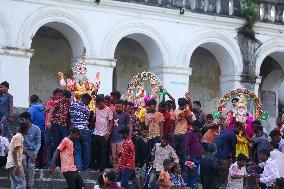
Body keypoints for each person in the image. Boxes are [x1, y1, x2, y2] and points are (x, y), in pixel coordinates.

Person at [46, 89, 71, 165]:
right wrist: (48, 122)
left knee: (64, 143)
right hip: (56, 125)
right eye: (65, 97)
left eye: (68, 98)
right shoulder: (57, 102)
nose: (66, 99)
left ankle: (62, 162)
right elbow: (51, 112)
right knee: (56, 143)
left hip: (64, 126)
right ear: (62, 96)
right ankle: (55, 163)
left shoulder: (68, 103)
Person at [170, 98, 195, 170]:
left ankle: (182, 169)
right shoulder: (175, 112)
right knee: (173, 151)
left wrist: (187, 117)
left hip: (184, 134)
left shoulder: (187, 112)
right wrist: (171, 133)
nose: (186, 106)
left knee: (183, 152)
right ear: (184, 105)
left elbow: (192, 122)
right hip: (176, 134)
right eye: (185, 105)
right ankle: (174, 168)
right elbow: (172, 124)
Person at [215, 121, 242, 187]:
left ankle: (218, 185)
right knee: (225, 172)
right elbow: (233, 149)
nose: (239, 131)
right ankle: (223, 185)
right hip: (224, 157)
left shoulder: (226, 131)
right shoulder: (233, 135)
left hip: (216, 155)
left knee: (219, 172)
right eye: (239, 129)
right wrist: (234, 160)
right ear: (235, 127)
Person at [70, 93, 92, 171]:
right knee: (87, 149)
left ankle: (78, 167)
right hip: (84, 130)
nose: (89, 103)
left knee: (77, 149)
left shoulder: (72, 105)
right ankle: (85, 168)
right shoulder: (87, 109)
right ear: (85, 100)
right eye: (89, 101)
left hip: (75, 130)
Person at [19, 112, 41, 189]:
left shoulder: (36, 128)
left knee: (31, 166)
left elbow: (39, 142)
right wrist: (22, 148)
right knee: (23, 161)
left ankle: (31, 185)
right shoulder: (20, 128)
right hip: (23, 150)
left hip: (32, 151)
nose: (21, 121)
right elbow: (17, 141)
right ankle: (23, 184)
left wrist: (35, 154)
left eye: (22, 119)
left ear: (28, 119)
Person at [92, 95, 113, 172]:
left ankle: (102, 168)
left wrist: (108, 132)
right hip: (95, 132)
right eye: (97, 104)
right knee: (95, 151)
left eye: (99, 104)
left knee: (103, 152)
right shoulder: (96, 109)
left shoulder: (108, 110)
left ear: (103, 102)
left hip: (104, 134)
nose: (98, 106)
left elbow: (111, 122)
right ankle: (95, 165)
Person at [6, 122, 29, 189]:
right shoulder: (19, 137)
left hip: (10, 163)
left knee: (15, 184)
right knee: (21, 184)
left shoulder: (17, 136)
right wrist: (17, 166)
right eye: (28, 129)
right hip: (14, 164)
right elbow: (14, 152)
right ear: (25, 129)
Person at [111, 99, 131, 168]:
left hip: (121, 138)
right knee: (114, 155)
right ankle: (115, 169)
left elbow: (129, 126)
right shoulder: (112, 114)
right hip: (113, 138)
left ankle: (120, 169)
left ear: (123, 107)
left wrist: (128, 137)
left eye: (120, 107)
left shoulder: (126, 115)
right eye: (117, 107)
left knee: (121, 155)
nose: (118, 108)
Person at [45, 88, 62, 166]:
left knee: (56, 145)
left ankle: (55, 162)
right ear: (54, 95)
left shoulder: (61, 103)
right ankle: (49, 162)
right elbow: (47, 109)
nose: (60, 97)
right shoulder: (50, 102)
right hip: (49, 126)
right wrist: (54, 105)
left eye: (61, 95)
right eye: (58, 95)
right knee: (49, 144)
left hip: (56, 126)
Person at [28, 94, 45, 168]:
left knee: (33, 147)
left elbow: (29, 120)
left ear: (31, 101)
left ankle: (34, 164)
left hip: (34, 131)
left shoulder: (31, 109)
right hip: (43, 130)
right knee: (41, 147)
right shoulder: (44, 108)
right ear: (38, 100)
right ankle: (40, 164)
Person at [145, 99, 164, 165]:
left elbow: (161, 126)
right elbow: (147, 126)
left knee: (157, 152)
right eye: (148, 106)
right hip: (150, 137)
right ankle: (151, 165)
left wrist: (161, 137)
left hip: (157, 136)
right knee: (150, 152)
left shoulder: (159, 114)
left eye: (150, 106)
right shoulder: (147, 116)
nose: (148, 108)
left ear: (154, 106)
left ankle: (157, 165)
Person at [184, 120, 203, 188]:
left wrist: (200, 154)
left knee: (195, 174)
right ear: (194, 126)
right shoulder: (189, 133)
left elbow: (199, 144)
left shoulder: (197, 134)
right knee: (192, 174)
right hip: (191, 157)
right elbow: (186, 144)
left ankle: (191, 186)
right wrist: (188, 155)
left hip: (197, 156)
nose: (199, 129)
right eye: (198, 127)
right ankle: (190, 186)